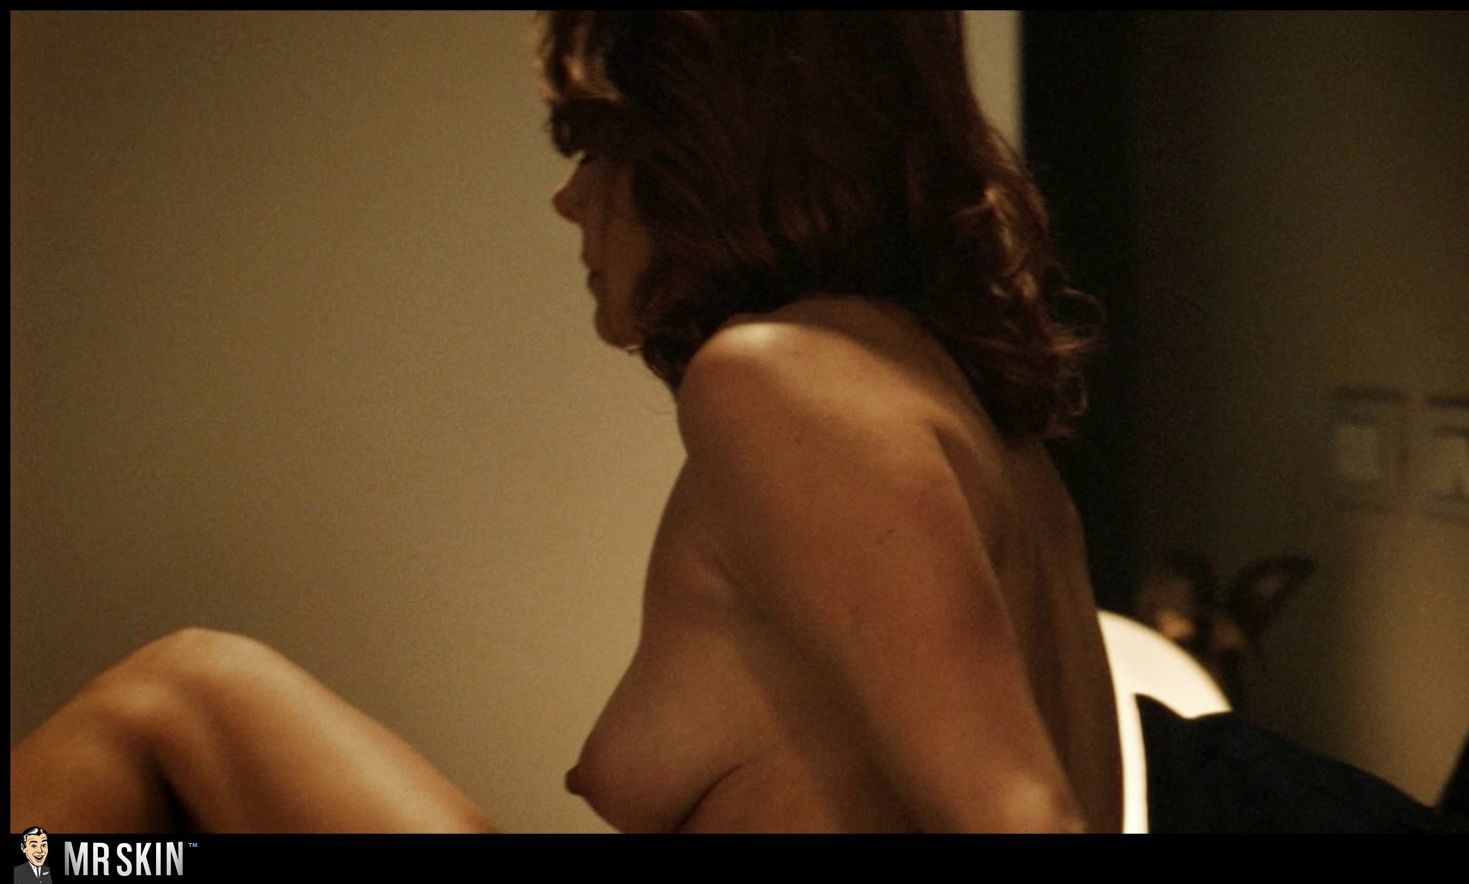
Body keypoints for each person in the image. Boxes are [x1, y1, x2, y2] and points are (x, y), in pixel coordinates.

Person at [7, 11, 1120, 834]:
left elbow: (1023, 819)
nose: (569, 196)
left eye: (593, 143)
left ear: (701, 143)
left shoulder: (779, 384)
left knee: (176, 690)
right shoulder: (971, 418)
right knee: (137, 827)